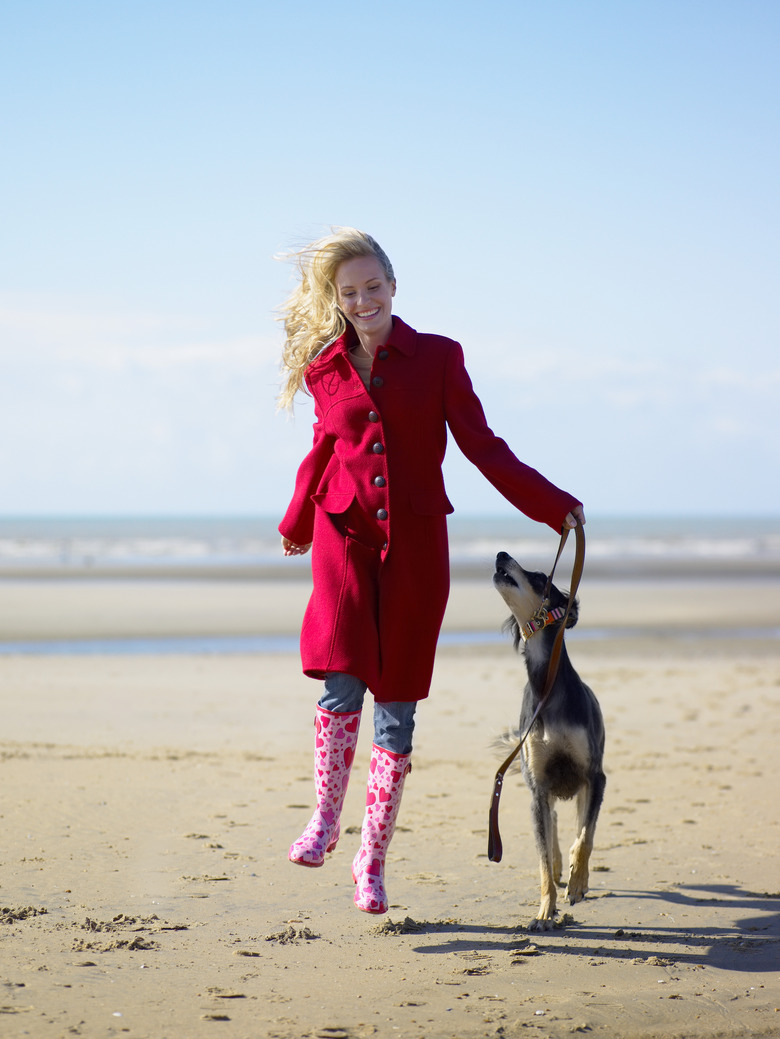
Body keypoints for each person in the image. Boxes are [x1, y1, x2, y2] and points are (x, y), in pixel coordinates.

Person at [277, 227, 585, 915]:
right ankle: (325, 821)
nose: (363, 301)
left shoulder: (440, 358)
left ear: (393, 283)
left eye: (373, 287)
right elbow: (324, 449)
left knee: (397, 707)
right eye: (349, 292)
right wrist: (298, 520)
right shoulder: (326, 366)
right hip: (344, 543)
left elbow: (483, 447)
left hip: (416, 551)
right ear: (337, 297)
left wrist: (553, 505)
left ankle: (370, 862)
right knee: (341, 682)